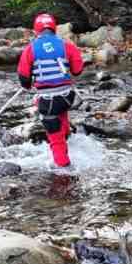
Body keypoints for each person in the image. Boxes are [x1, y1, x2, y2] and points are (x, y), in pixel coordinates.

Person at [17, 13, 84, 168]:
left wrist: (30, 83)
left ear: (36, 31)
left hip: (48, 101)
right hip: (68, 98)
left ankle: (64, 170)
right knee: (61, 110)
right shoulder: (67, 45)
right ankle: (66, 135)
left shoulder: (30, 49)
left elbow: (24, 79)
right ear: (54, 28)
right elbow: (78, 70)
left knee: (56, 140)